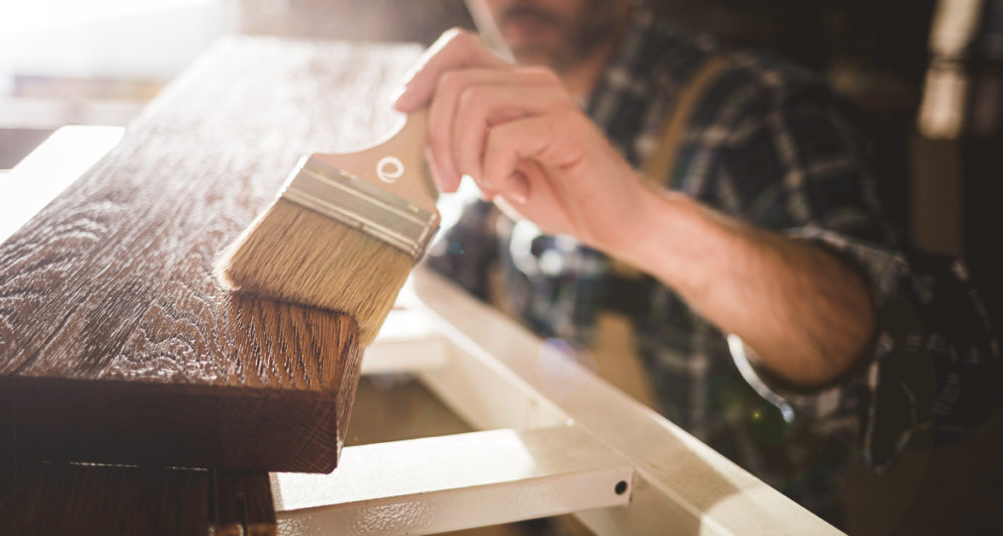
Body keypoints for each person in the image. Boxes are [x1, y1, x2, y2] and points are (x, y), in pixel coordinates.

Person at [392, 0, 1001, 527]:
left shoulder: (757, 114)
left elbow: (951, 373)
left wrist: (647, 224)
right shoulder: (493, 114)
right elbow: (448, 283)